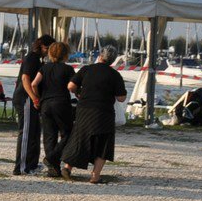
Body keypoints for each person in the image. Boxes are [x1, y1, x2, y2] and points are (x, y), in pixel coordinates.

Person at [62, 45, 129, 183]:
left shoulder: (86, 69)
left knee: (79, 138)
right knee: (104, 143)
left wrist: (79, 93)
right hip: (104, 113)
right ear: (112, 60)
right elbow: (121, 98)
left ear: (100, 56)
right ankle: (95, 176)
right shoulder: (115, 75)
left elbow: (70, 86)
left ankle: (68, 167)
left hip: (84, 110)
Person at [30, 40, 75, 178]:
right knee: (68, 134)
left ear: (50, 53)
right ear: (65, 54)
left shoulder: (44, 68)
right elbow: (72, 86)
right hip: (61, 103)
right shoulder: (68, 69)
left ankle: (53, 169)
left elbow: (34, 83)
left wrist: (37, 98)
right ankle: (52, 158)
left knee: (50, 136)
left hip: (45, 104)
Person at [13, 35, 54, 174]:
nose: (49, 52)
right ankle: (21, 167)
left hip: (31, 99)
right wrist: (34, 98)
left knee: (35, 132)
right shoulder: (31, 57)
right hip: (25, 98)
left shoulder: (38, 59)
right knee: (26, 133)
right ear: (42, 46)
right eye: (48, 48)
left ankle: (32, 164)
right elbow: (25, 79)